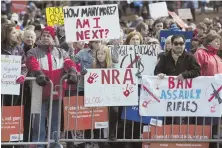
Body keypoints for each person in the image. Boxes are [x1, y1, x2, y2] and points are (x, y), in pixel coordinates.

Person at [26, 26, 78, 148]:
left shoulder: (61, 52)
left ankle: (54, 143)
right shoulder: (33, 51)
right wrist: (38, 73)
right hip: (39, 91)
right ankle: (39, 144)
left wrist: (72, 71)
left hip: (56, 91)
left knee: (55, 120)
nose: (45, 37)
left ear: (53, 38)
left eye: (48, 35)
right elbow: (31, 62)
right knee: (38, 121)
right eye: (43, 35)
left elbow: (68, 62)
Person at [154, 34, 200, 124]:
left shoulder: (190, 57)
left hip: (183, 96)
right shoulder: (164, 57)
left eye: (181, 43)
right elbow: (156, 71)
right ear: (171, 44)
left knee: (179, 122)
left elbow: (197, 71)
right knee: (167, 120)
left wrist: (185, 75)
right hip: (167, 96)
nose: (179, 45)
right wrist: (160, 74)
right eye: (176, 43)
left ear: (184, 44)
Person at [194, 31, 222, 148]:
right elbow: (196, 72)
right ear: (209, 42)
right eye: (216, 41)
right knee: (205, 123)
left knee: (215, 122)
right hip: (204, 95)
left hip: (217, 97)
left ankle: (213, 144)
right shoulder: (200, 53)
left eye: (219, 41)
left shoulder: (217, 57)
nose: (219, 43)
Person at [1, 23, 28, 106]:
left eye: (16, 32)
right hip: (1, 86)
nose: (16, 34)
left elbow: (24, 65)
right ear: (6, 34)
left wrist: (22, 75)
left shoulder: (19, 48)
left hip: (13, 86)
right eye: (13, 33)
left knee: (10, 111)